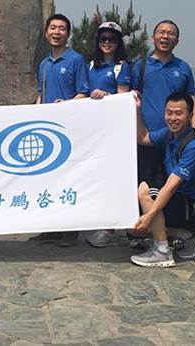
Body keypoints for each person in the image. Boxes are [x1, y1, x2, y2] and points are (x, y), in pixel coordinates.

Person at [130, 92, 195, 267]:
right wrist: (137, 111)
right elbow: (142, 138)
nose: (173, 118)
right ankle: (186, 235)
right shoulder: (169, 135)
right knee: (130, 225)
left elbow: (171, 186)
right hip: (180, 202)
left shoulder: (194, 146)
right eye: (169, 113)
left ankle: (162, 251)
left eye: (178, 113)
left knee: (146, 190)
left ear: (190, 115)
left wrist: (149, 216)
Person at [32, 13, 89, 247]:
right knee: (47, 179)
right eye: (53, 28)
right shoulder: (44, 64)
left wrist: (66, 106)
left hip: (69, 130)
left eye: (62, 28)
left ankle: (70, 229)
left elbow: (83, 93)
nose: (57, 32)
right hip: (46, 131)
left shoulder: (76, 60)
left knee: (67, 180)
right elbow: (40, 95)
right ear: (46, 32)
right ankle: (50, 228)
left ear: (68, 34)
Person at [130, 20, 195, 190]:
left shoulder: (183, 67)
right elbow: (131, 96)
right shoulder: (141, 65)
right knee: (146, 186)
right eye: (161, 32)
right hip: (147, 137)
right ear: (153, 37)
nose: (165, 36)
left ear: (177, 40)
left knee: (175, 187)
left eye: (171, 33)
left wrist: (194, 129)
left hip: (176, 138)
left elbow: (191, 98)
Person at [85, 21, 131, 248]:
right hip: (92, 130)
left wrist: (106, 96)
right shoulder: (90, 66)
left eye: (112, 39)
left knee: (112, 178)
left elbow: (123, 98)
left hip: (113, 131)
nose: (107, 43)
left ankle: (110, 228)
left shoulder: (122, 67)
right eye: (103, 38)